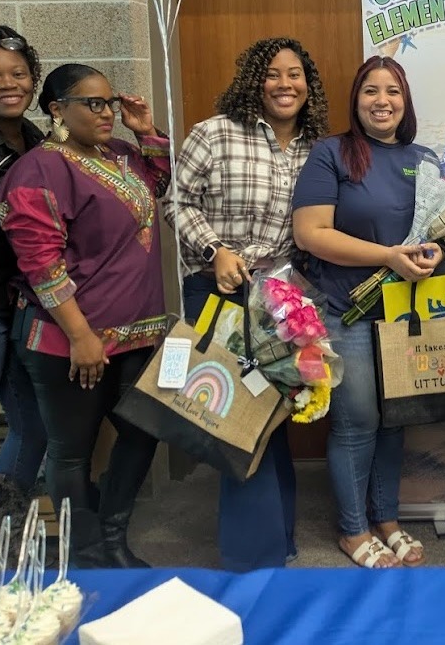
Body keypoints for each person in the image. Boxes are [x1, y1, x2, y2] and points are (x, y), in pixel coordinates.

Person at [0, 63, 170, 569]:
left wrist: (146, 131)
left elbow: (159, 181)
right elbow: (40, 262)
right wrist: (81, 335)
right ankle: (85, 551)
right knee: (71, 450)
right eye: (92, 103)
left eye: (109, 103)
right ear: (56, 110)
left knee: (143, 431)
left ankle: (112, 538)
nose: (106, 113)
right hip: (69, 339)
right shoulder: (37, 171)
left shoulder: (120, 155)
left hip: (136, 334)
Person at [166, 36, 329, 572]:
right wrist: (216, 252)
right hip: (221, 289)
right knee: (235, 418)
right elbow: (176, 202)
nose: (286, 84)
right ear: (253, 79)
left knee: (273, 411)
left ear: (309, 84)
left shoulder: (315, 148)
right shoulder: (214, 134)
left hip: (282, 297)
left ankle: (276, 534)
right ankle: (249, 554)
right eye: (273, 74)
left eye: (296, 74)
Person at [292, 55, 439, 569]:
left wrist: (430, 251)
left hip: (402, 313)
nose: (383, 101)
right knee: (357, 421)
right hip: (344, 312)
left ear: (406, 100)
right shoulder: (332, 154)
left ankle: (386, 518)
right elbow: (311, 234)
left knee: (395, 420)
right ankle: (352, 530)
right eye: (371, 91)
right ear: (356, 100)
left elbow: (433, 230)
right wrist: (387, 256)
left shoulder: (424, 159)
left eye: (393, 91)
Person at [0, 25, 47, 543]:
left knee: (35, 423)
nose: (7, 84)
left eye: (18, 74)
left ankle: (2, 519)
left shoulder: (40, 140)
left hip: (24, 302)